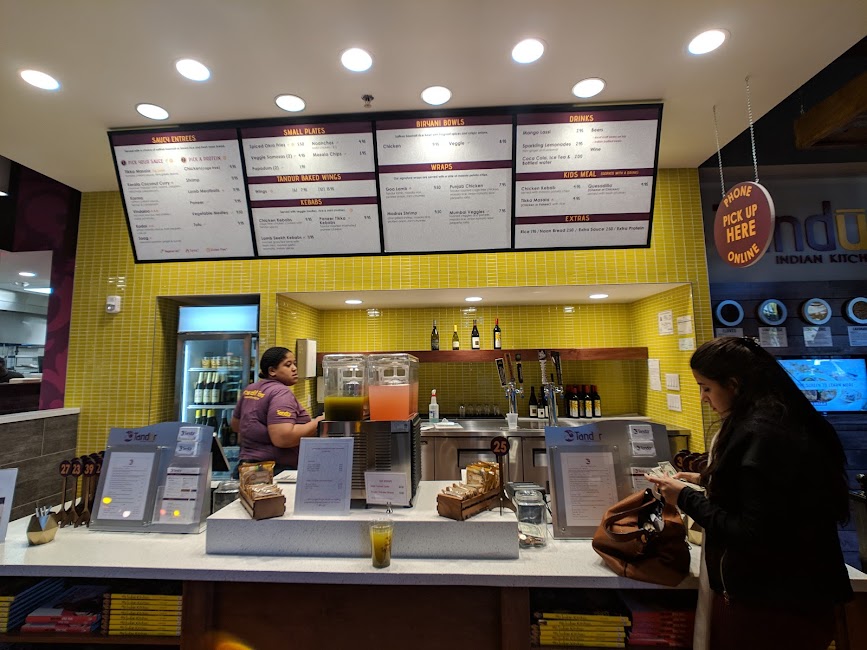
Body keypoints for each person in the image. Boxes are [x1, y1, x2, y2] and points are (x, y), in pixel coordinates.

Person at [647, 336, 852, 650]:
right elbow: (771, 498)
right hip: (792, 596)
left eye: (706, 388)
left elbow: (750, 531)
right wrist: (708, 481)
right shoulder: (783, 419)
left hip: (773, 605)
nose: (703, 398)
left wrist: (684, 496)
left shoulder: (764, 434)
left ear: (733, 385)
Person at [231, 347, 324, 474]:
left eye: (294, 364)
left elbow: (236, 425)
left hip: (247, 468)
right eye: (288, 365)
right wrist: (317, 422)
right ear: (272, 371)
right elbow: (283, 438)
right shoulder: (280, 392)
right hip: (274, 470)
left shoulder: (251, 389)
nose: (294, 368)